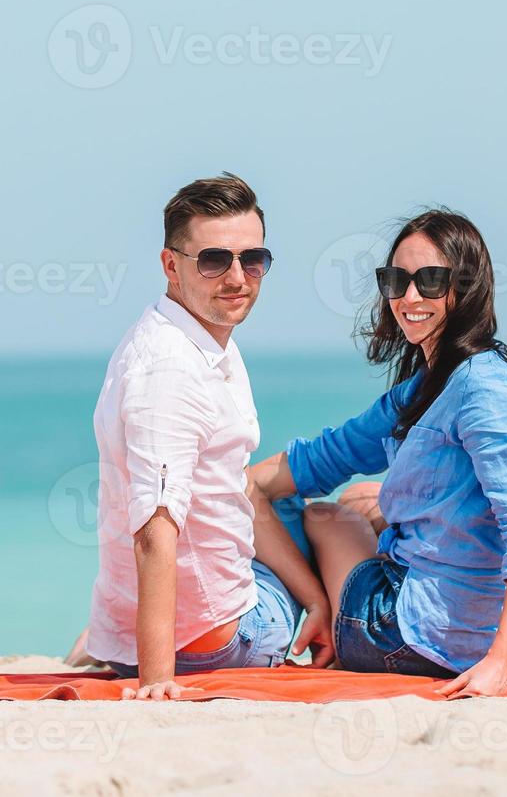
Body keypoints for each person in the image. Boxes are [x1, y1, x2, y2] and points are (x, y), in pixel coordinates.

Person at [247, 208, 507, 697]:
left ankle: (321, 612)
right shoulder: (427, 389)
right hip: (489, 640)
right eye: (397, 280)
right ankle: (320, 605)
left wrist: (498, 666)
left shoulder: (484, 392)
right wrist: (238, 483)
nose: (410, 297)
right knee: (363, 498)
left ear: (467, 287)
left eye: (430, 281)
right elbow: (328, 454)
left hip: (403, 637)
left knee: (328, 516)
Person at [84, 173, 332, 700]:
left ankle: (107, 639)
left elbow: (234, 486)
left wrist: (312, 598)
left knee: (276, 503)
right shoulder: (171, 370)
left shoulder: (193, 336)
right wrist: (156, 681)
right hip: (218, 643)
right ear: (171, 265)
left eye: (253, 259)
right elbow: (154, 525)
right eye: (215, 260)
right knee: (336, 519)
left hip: (130, 633)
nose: (238, 277)